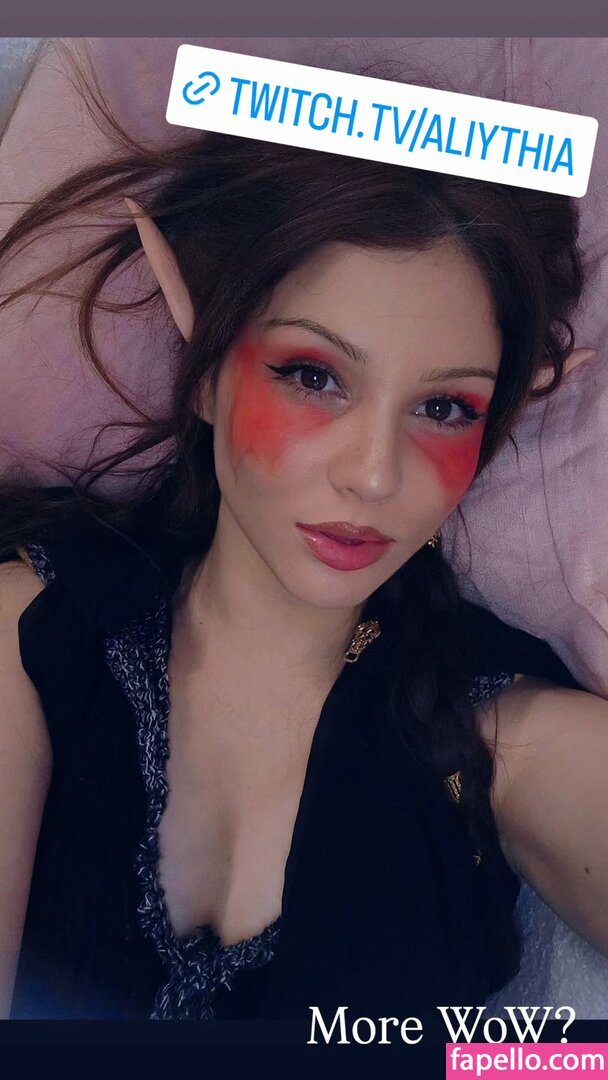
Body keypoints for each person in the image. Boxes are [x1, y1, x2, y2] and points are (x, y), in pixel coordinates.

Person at [0, 56, 606, 1023]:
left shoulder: (508, 742)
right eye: (314, 376)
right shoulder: (30, 633)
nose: (374, 475)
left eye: (444, 407)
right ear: (206, 366)